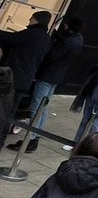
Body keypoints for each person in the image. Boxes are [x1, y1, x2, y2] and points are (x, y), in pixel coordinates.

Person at [7, 16, 84, 153]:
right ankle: (36, 135)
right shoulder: (78, 39)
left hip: (47, 76)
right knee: (43, 106)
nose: (64, 27)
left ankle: (31, 138)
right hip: (56, 77)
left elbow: (53, 55)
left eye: (66, 25)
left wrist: (53, 41)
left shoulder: (69, 41)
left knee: (37, 106)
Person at [0, 10, 52, 135]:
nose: (29, 19)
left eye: (32, 17)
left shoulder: (32, 33)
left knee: (4, 109)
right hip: (26, 78)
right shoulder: (46, 38)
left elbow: (9, 39)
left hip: (14, 77)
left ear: (37, 20)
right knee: (11, 110)